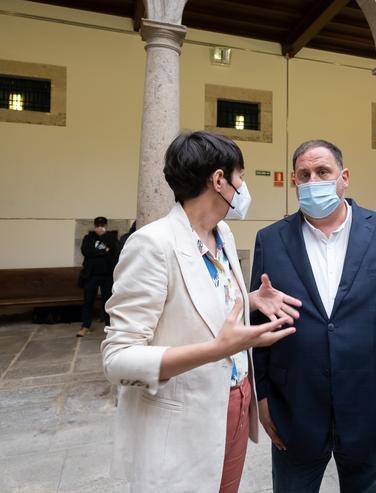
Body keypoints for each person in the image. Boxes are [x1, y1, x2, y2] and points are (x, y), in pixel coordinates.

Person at [100, 131, 300, 493]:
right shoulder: (152, 244)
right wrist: (216, 351)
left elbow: (205, 304)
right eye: (240, 177)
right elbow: (118, 359)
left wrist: (250, 299)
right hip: (181, 423)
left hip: (236, 403)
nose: (242, 187)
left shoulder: (221, 232)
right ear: (219, 180)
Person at [250, 139, 376, 493]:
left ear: (343, 177)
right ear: (295, 182)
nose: (313, 181)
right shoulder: (270, 239)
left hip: (370, 408)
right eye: (304, 174)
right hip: (293, 409)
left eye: (323, 172)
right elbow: (259, 325)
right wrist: (263, 398)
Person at [78, 216, 117, 337]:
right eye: (98, 225)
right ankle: (85, 326)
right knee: (88, 301)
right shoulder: (88, 238)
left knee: (108, 301)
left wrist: (104, 236)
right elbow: (86, 251)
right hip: (92, 275)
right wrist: (104, 251)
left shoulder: (111, 237)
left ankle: (109, 326)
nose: (100, 228)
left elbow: (115, 248)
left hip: (107, 275)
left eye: (102, 225)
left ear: (106, 226)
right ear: (94, 226)